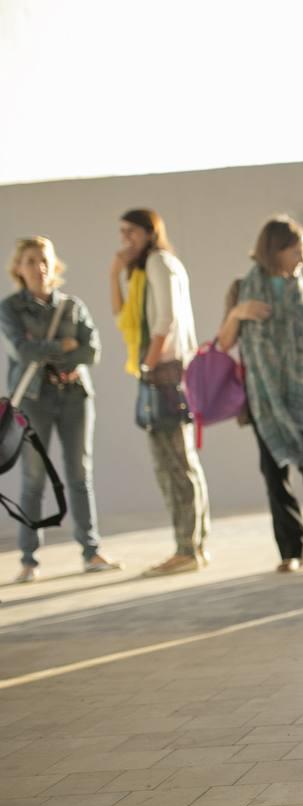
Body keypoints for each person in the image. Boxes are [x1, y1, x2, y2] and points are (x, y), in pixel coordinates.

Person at [217, 216, 303, 572]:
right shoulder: (242, 288)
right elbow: (225, 342)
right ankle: (290, 551)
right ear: (275, 250)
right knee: (274, 472)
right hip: (264, 397)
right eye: (297, 251)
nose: (301, 259)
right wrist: (238, 313)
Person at [3, 237, 119, 583]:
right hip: (34, 401)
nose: (38, 266)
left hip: (74, 397)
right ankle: (29, 558)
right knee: (34, 478)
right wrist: (65, 346)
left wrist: (50, 350)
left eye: (44, 259)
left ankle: (91, 550)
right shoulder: (9, 309)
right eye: (30, 260)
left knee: (79, 475)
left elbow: (91, 352)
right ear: (18, 268)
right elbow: (23, 351)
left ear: (54, 265)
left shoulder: (72, 306)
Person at [110, 208, 210, 576]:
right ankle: (196, 545)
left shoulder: (158, 263)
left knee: (173, 465)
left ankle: (187, 549)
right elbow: (122, 315)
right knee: (180, 462)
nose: (124, 239)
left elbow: (165, 319)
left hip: (165, 373)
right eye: (121, 233)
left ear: (149, 232)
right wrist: (114, 272)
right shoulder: (148, 268)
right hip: (161, 372)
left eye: (130, 232)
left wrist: (150, 365)